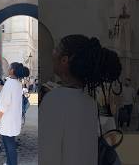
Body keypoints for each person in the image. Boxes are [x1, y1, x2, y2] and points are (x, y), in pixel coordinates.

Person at [40, 34, 121, 165]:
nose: (52, 52)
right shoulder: (90, 102)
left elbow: (47, 156)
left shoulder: (54, 100)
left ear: (65, 60)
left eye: (57, 48)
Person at [0, 62, 30, 165]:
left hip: (8, 121)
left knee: (10, 145)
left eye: (9, 67)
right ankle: (9, 163)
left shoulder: (10, 84)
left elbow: (3, 108)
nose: (8, 69)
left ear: (12, 70)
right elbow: (2, 89)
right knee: (10, 143)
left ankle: (12, 163)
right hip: (13, 121)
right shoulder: (16, 83)